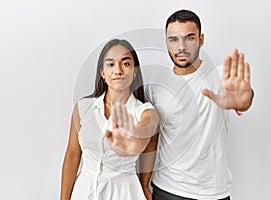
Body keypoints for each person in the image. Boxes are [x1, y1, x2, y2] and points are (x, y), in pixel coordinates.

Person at [140, 9, 254, 200]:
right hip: (168, 188)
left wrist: (244, 101)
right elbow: (153, 138)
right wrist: (144, 182)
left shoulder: (219, 76)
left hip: (214, 192)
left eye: (189, 38)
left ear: (201, 40)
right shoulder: (155, 86)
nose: (181, 47)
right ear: (166, 42)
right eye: (173, 39)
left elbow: (245, 99)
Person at [60, 39, 159, 200]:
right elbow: (72, 154)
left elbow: (146, 131)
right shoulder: (83, 108)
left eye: (126, 64)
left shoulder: (145, 112)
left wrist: (132, 136)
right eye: (110, 64)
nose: (118, 70)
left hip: (125, 193)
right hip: (84, 192)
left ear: (134, 72)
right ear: (102, 73)